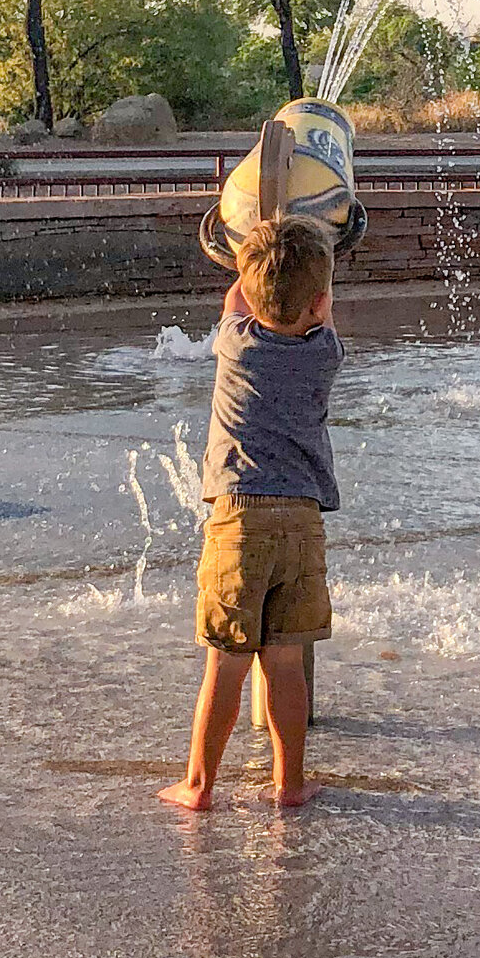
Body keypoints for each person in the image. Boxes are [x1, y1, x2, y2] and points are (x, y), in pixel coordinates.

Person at [160, 215, 342, 813]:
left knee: (226, 663)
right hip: (302, 520)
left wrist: (244, 236)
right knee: (286, 662)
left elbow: (238, 292)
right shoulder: (325, 354)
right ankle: (288, 784)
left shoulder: (234, 342)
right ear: (320, 302)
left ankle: (199, 786)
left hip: (239, 520)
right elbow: (310, 306)